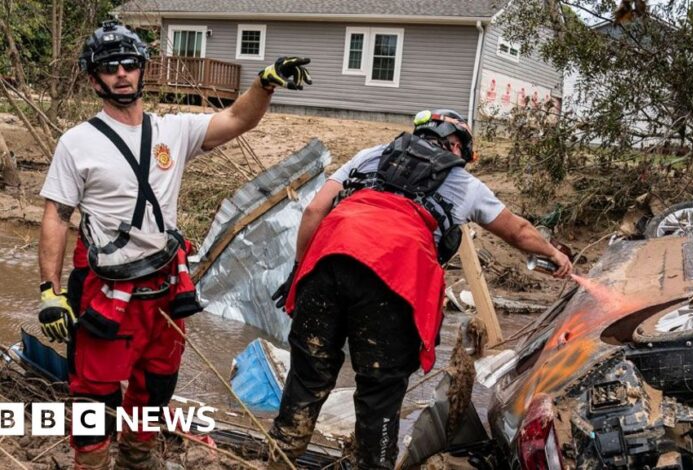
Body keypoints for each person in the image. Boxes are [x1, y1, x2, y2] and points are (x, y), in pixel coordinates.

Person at [37, 19, 311, 470]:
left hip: (165, 287)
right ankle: (91, 463)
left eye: (129, 64)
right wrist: (48, 291)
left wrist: (265, 83)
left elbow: (237, 118)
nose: (121, 73)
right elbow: (56, 216)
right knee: (94, 389)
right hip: (105, 289)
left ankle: (137, 456)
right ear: (94, 79)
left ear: (143, 70)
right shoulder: (77, 143)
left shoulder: (174, 130)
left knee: (156, 383)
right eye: (110, 67)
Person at [268, 109, 572, 468]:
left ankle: (277, 459)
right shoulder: (463, 183)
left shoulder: (370, 155)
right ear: (456, 144)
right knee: (379, 394)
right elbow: (518, 231)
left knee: (307, 375)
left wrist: (299, 269)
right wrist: (554, 254)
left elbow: (314, 211)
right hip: (394, 277)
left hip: (329, 260)